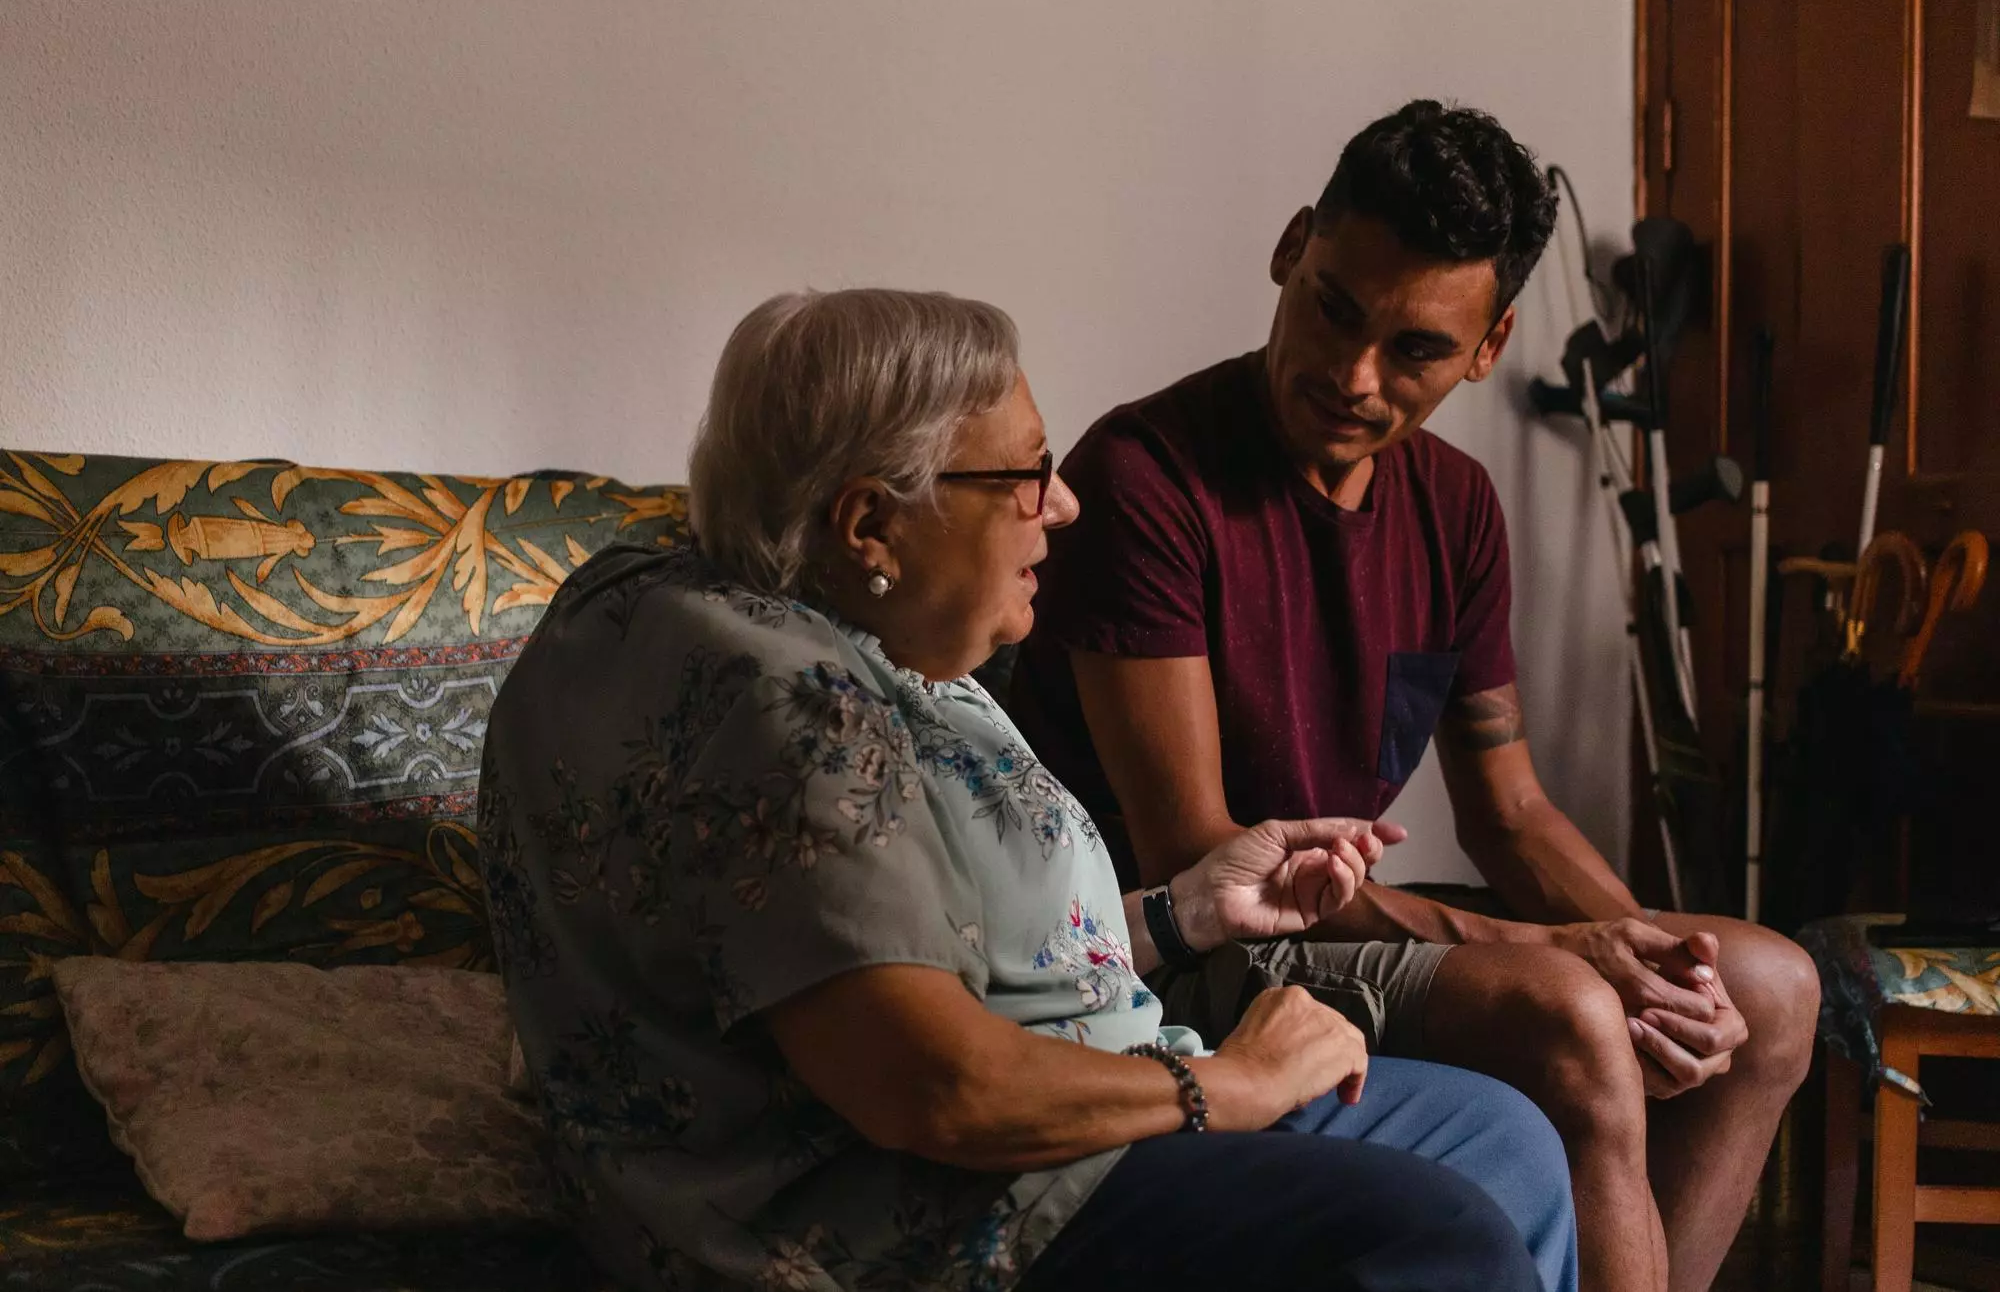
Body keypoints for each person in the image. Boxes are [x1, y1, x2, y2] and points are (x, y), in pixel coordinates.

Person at [478, 287, 1578, 1292]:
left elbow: (900, 939)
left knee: (1505, 1140)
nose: (1063, 505)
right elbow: (934, 1086)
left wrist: (1185, 912)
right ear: (870, 523)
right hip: (928, 1212)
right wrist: (1231, 1084)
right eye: (1025, 475)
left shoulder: (804, 625)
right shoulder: (793, 709)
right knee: (1435, 1234)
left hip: (1062, 1101)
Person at [1011, 100, 1821, 1292]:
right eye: (1334, 309)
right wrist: (1563, 952)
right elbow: (1199, 851)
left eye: (1414, 350)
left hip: (1334, 917)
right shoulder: (1145, 480)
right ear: (1291, 247)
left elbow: (1510, 812)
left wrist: (1659, 964)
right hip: (1179, 940)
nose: (1353, 376)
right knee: (1568, 1007)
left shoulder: (1456, 507)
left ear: (1487, 347)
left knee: (1770, 990)